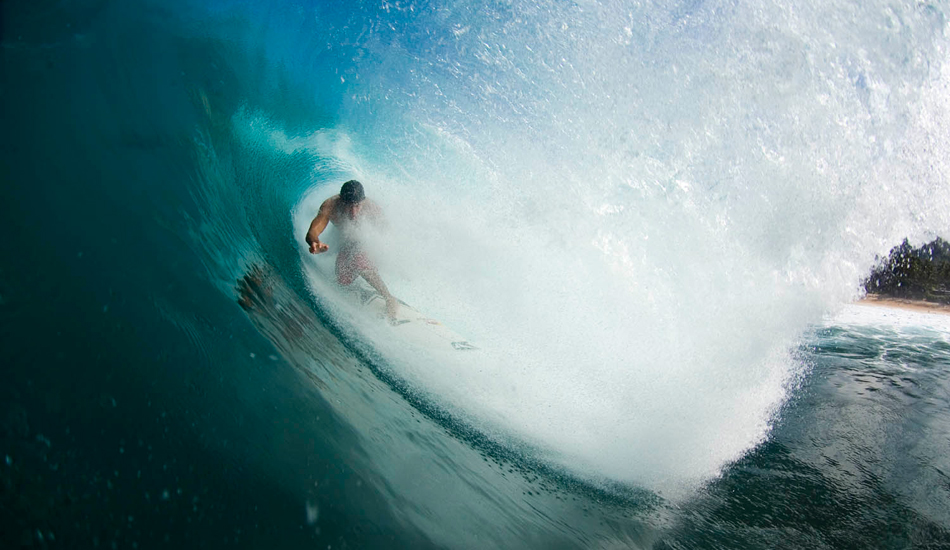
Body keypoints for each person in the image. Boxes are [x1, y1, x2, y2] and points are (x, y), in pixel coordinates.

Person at [305, 180, 400, 320]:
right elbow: (313, 231)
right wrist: (315, 242)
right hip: (346, 244)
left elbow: (388, 237)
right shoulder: (330, 206)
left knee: (358, 259)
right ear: (341, 201)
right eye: (349, 206)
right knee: (343, 280)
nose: (353, 213)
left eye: (357, 206)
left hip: (367, 243)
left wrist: (386, 257)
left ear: (363, 202)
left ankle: (390, 299)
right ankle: (361, 281)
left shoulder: (371, 208)